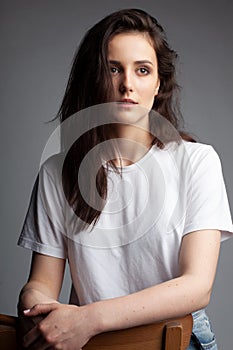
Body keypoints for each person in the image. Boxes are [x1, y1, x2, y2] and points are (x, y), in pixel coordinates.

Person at [17, 8, 233, 350]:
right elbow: (41, 282)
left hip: (175, 340)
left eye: (142, 70)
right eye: (113, 69)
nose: (127, 85)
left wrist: (89, 318)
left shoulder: (196, 161)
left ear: (159, 82)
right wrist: (37, 306)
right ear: (94, 78)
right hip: (89, 343)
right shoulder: (57, 173)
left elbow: (196, 286)